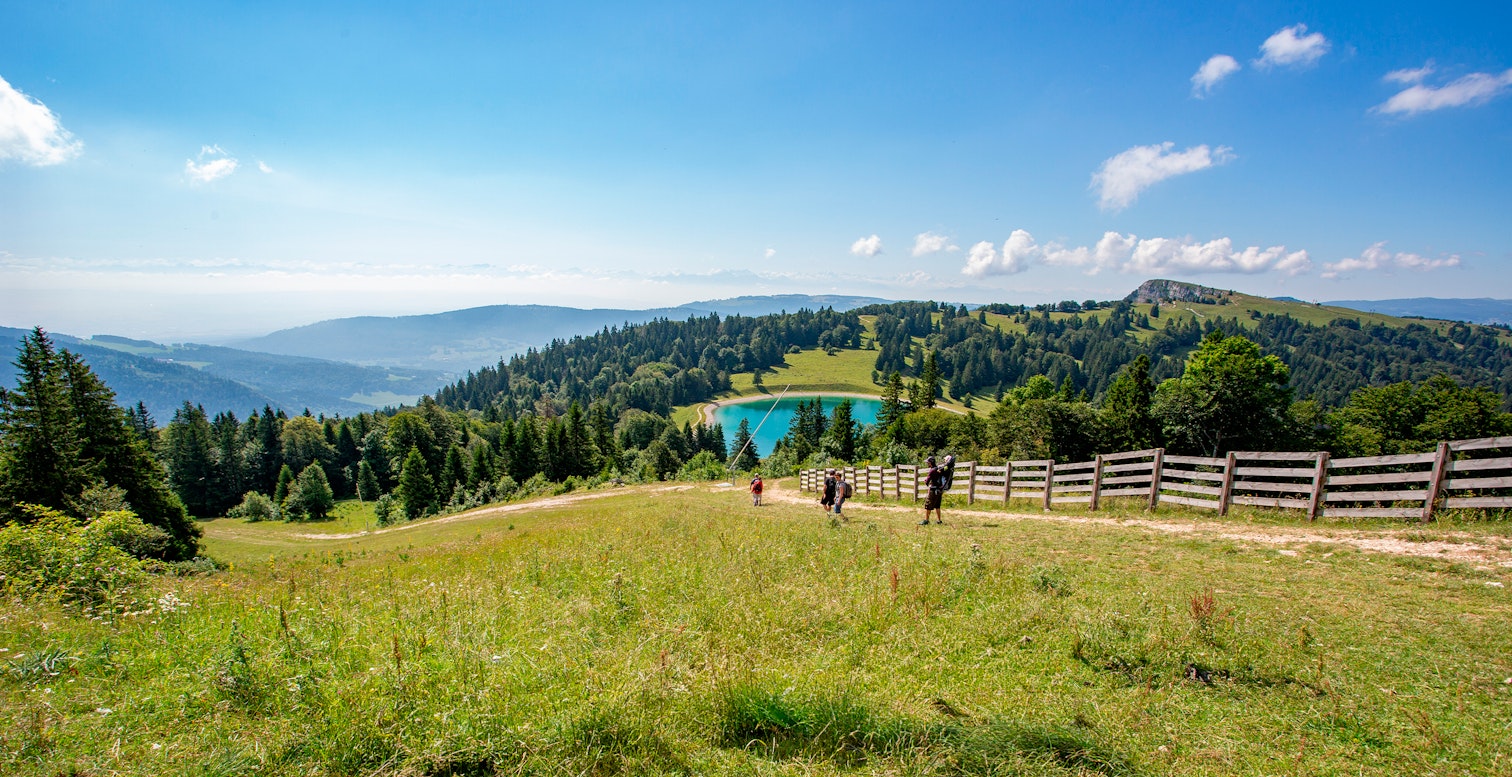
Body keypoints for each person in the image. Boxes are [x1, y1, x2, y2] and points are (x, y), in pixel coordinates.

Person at [919, 456, 945, 525]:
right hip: (939, 490)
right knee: (937, 505)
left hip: (933, 490)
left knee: (928, 505)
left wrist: (925, 481)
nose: (927, 464)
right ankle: (939, 520)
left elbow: (927, 481)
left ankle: (926, 520)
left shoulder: (932, 470)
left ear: (931, 463)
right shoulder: (938, 469)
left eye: (928, 462)